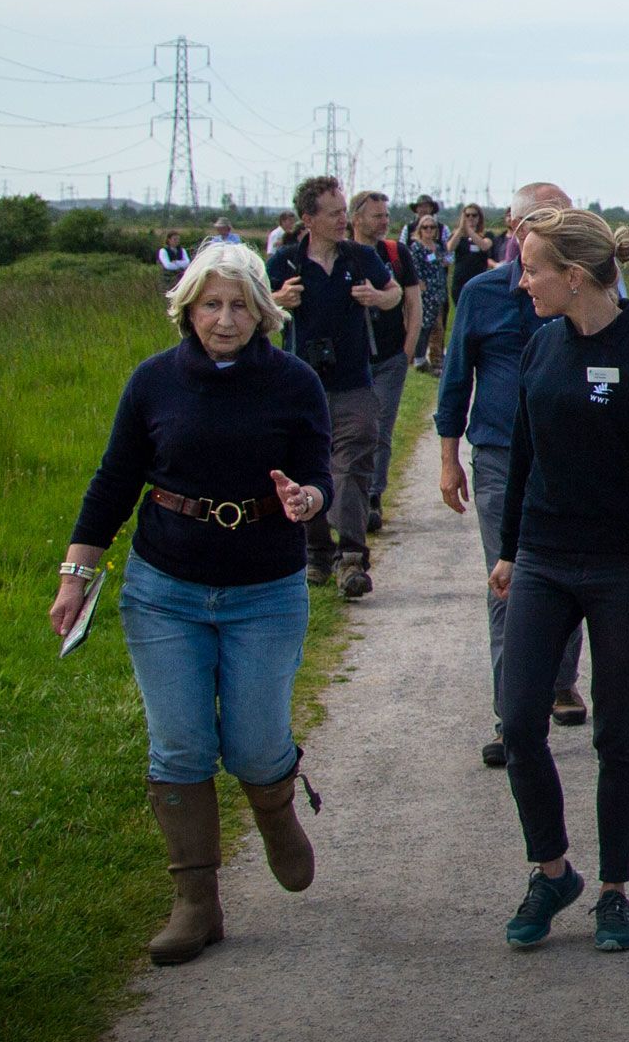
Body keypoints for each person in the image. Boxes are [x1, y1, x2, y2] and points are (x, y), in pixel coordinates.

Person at [48, 240, 334, 967]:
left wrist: (308, 499)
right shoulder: (153, 382)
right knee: (179, 744)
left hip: (265, 589)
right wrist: (74, 575)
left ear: (264, 310)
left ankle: (274, 811)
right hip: (164, 589)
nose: (226, 319)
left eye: (240, 304)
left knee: (253, 743)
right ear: (188, 308)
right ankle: (196, 901)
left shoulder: (295, 382)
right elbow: (114, 481)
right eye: (211, 303)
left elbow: (315, 471)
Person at [490, 208, 629, 954]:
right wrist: (512, 548)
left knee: (616, 729)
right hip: (545, 560)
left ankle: (614, 892)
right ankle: (552, 872)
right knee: (519, 721)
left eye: (532, 269)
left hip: (619, 567)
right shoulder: (541, 347)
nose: (523, 283)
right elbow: (524, 454)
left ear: (573, 276)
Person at [435, 182, 586, 767]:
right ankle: (512, 716)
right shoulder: (481, 294)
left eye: (563, 220)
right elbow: (455, 378)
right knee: (511, 577)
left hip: (570, 454)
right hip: (499, 452)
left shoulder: (586, 292)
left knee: (572, 568)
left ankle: (558, 681)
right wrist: (448, 459)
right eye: (539, 221)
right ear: (512, 229)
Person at [267, 176, 401, 597]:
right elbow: (254, 309)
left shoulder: (360, 258)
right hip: (300, 386)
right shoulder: (284, 264)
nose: (345, 219)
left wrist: (377, 299)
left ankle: (352, 559)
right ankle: (317, 552)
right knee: (308, 467)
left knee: (352, 465)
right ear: (308, 219)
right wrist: (276, 300)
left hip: (354, 382)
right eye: (335, 213)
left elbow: (395, 292)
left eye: (345, 211)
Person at [350, 188, 422, 534]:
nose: (384, 222)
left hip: (390, 356)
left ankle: (373, 496)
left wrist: (408, 350)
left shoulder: (396, 253)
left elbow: (413, 303)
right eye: (377, 216)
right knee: (351, 429)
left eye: (387, 216)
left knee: (380, 425)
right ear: (357, 217)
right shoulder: (343, 254)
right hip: (350, 360)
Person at [408, 214, 449, 371]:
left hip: (438, 291)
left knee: (437, 326)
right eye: (425, 227)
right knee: (423, 326)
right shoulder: (417, 247)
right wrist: (419, 284)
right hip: (425, 293)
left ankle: (436, 359)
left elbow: (443, 264)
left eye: (432, 227)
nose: (429, 230)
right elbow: (414, 268)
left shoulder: (437, 247)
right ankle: (418, 359)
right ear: (420, 230)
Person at [447, 204, 494, 304]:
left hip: (479, 280)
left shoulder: (487, 234)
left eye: (474, 215)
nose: (470, 218)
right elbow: (449, 248)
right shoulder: (457, 235)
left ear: (479, 217)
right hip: (460, 282)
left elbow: (484, 245)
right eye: (467, 215)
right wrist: (460, 229)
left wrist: (469, 230)